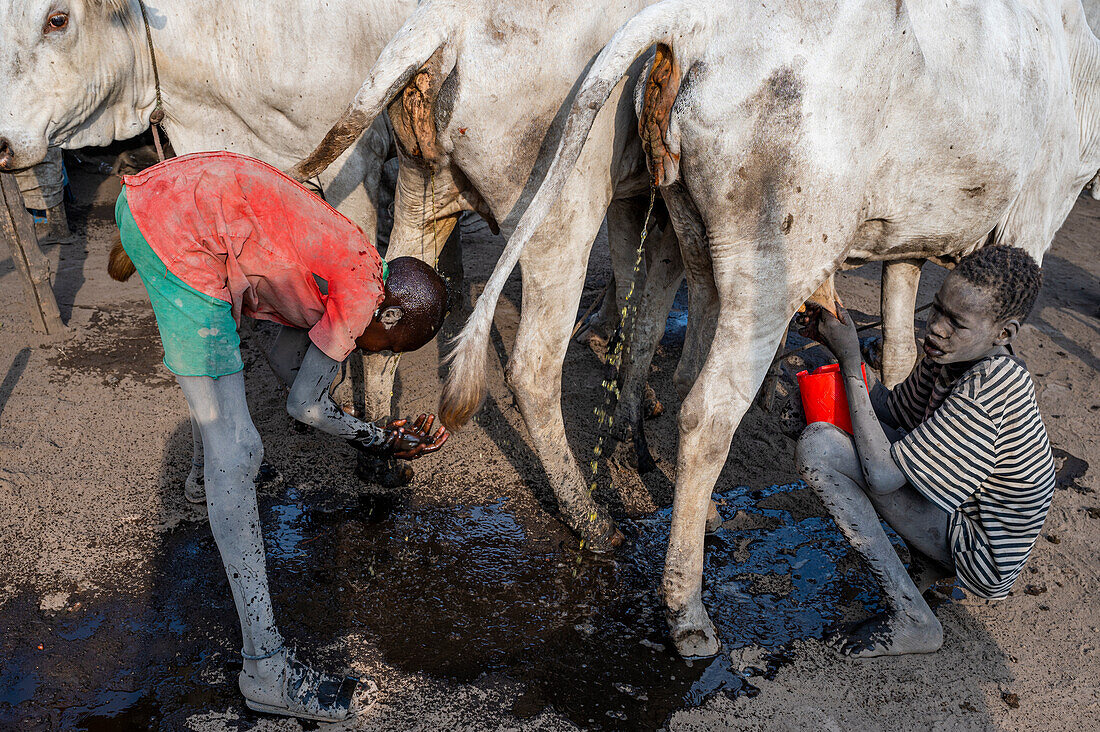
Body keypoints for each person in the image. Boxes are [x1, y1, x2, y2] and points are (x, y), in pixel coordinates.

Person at [108, 151, 449, 721]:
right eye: (391, 350)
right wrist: (378, 440)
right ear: (387, 318)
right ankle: (265, 670)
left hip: (166, 203)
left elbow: (290, 366)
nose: (381, 360)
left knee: (224, 399)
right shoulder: (362, 296)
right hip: (175, 231)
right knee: (239, 452)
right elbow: (304, 406)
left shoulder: (351, 262)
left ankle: (199, 481)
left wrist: (370, 433)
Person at [796, 245, 1055, 658]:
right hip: (959, 513)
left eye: (956, 322)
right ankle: (927, 566)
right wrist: (838, 343)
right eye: (936, 310)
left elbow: (883, 475)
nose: (936, 328)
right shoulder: (952, 354)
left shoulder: (991, 385)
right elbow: (892, 410)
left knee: (820, 448)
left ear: (1003, 333)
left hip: (982, 548)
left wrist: (849, 361)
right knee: (852, 426)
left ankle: (914, 620)